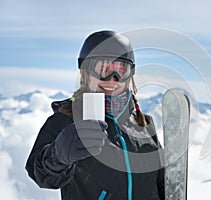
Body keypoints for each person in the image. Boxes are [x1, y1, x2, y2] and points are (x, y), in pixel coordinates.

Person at [25, 30, 165, 200]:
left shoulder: (142, 124)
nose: (112, 79)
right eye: (103, 69)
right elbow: (40, 174)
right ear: (86, 72)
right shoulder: (66, 121)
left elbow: (158, 182)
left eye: (121, 70)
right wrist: (57, 155)